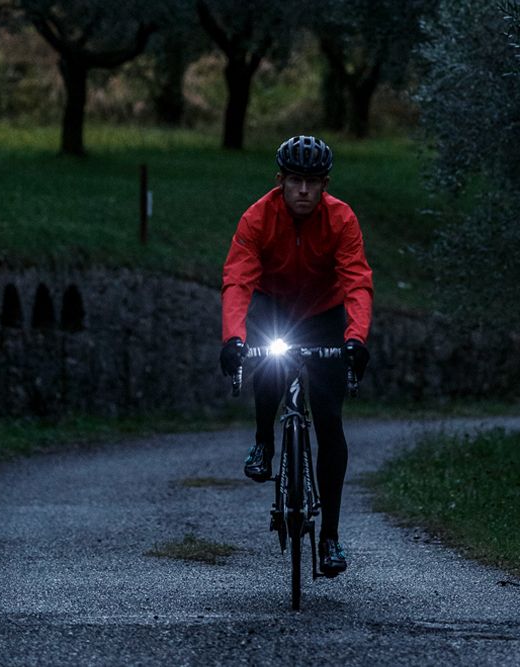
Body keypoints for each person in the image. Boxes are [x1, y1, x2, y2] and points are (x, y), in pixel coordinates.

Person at [219, 135, 373, 577]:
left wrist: (355, 339)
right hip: (274, 305)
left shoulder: (342, 219)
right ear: (280, 181)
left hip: (323, 313)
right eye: (294, 181)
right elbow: (237, 281)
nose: (303, 190)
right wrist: (233, 339)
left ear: (324, 185)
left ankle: (330, 537)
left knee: (329, 420)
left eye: (312, 182)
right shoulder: (257, 218)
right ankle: (264, 441)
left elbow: (357, 282)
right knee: (266, 356)